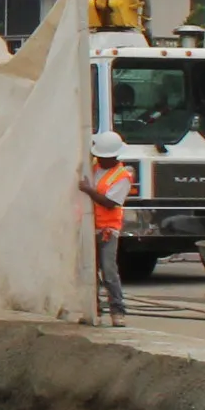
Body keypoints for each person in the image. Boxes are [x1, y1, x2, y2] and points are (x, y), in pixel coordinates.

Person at [82, 131, 133, 324]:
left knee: (109, 272)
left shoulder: (122, 176)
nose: (101, 160)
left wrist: (88, 190)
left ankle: (117, 311)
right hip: (89, 227)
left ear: (114, 156)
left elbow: (110, 202)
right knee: (89, 271)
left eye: (104, 157)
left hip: (107, 230)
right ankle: (93, 309)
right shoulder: (94, 166)